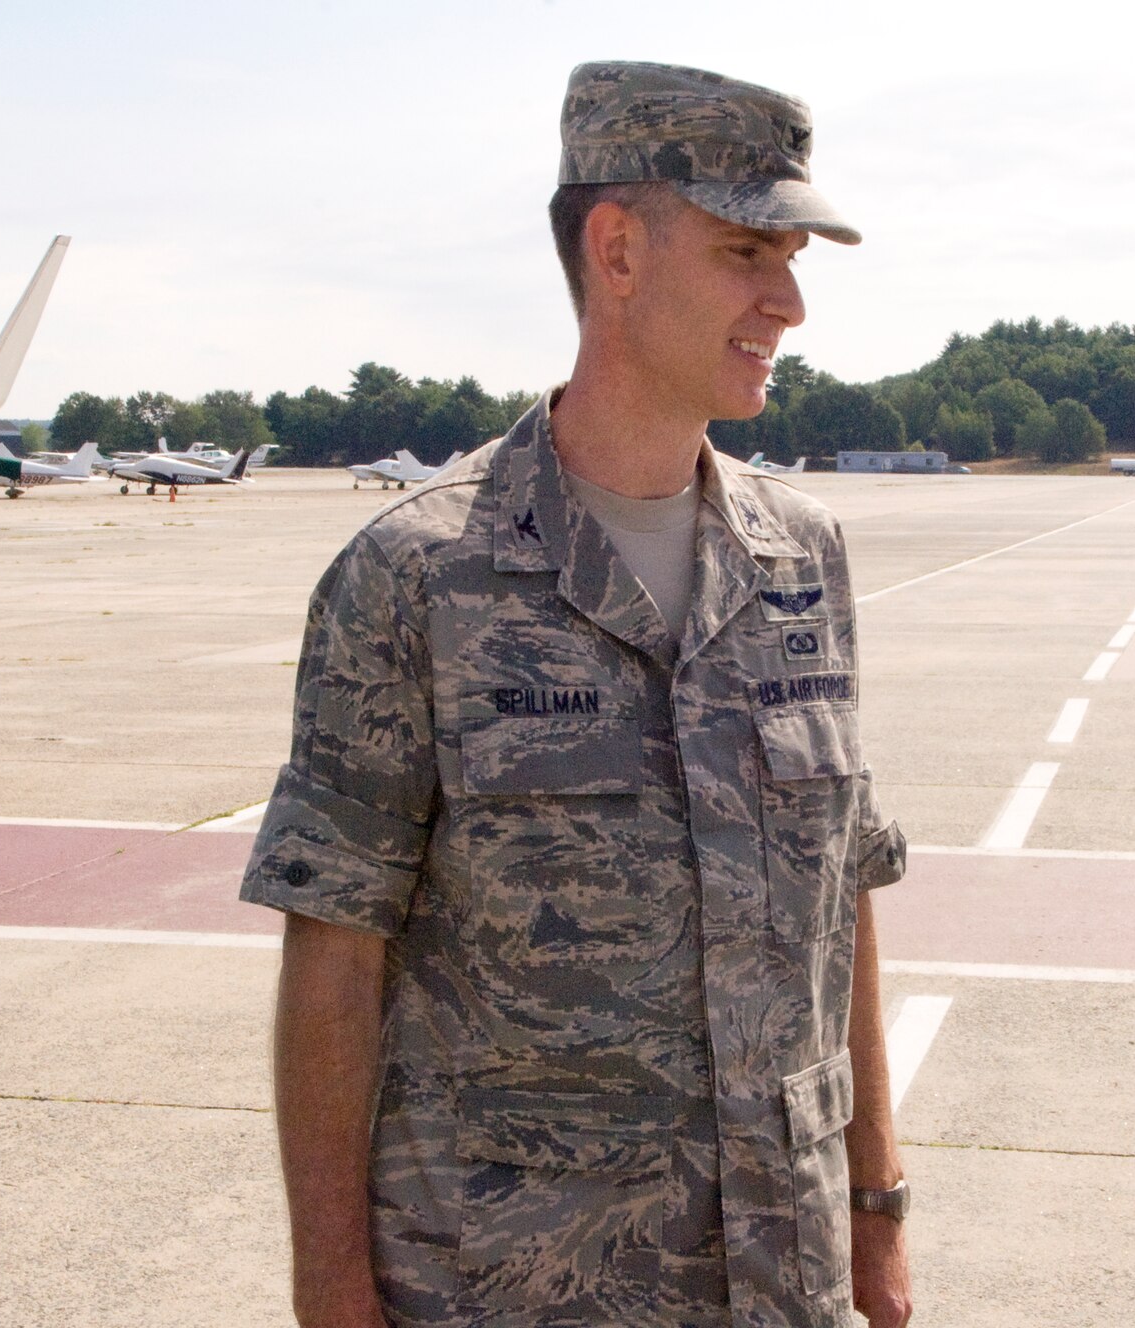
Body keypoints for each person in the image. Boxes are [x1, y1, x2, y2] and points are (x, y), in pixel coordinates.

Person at [241, 61, 913, 1328]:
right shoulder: (419, 574)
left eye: (790, 257)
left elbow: (845, 903)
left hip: (787, 1278)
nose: (790, 299)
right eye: (745, 252)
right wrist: (330, 1288)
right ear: (616, 251)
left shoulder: (800, 556)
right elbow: (333, 948)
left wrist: (876, 1210)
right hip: (514, 1286)